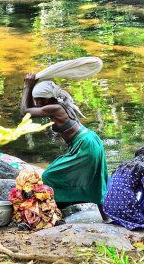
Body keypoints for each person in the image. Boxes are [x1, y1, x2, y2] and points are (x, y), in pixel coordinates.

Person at [20, 74, 108, 220]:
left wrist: (27, 87)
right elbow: (30, 108)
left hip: (85, 144)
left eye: (38, 100)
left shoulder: (55, 108)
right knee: (95, 178)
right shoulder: (55, 105)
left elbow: (25, 112)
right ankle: (106, 217)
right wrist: (30, 89)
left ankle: (53, 210)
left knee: (49, 175)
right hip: (90, 141)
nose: (36, 103)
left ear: (46, 99)